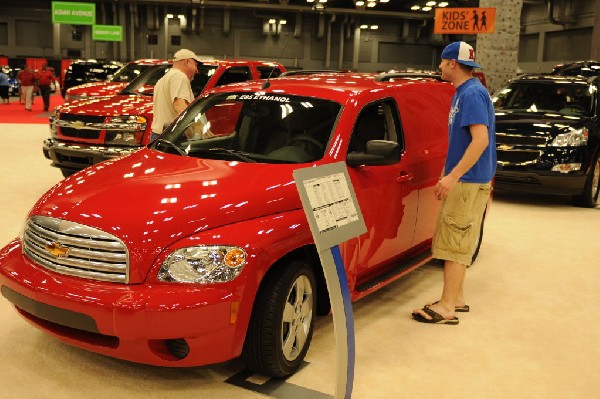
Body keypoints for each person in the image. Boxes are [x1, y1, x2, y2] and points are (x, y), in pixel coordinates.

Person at [412, 41, 496, 325]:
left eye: (442, 62)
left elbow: (481, 140)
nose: (439, 66)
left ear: (452, 63)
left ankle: (446, 307)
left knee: (454, 241)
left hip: (467, 181)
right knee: (459, 239)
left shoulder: (471, 94)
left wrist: (453, 176)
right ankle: (456, 298)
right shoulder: (466, 92)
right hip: (472, 179)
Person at [151, 49, 203, 141]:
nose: (197, 70)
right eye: (195, 65)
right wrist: (197, 127)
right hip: (172, 138)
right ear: (187, 62)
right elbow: (180, 106)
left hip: (158, 136)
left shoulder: (163, 79)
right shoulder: (180, 77)